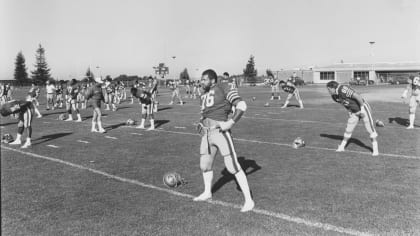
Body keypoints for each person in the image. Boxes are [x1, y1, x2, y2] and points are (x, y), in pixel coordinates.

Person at [193, 69, 254, 213]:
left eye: (204, 79)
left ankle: (249, 200)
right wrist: (201, 123)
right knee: (204, 165)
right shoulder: (204, 93)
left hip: (220, 132)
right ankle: (207, 192)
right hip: (207, 134)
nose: (202, 82)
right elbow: (206, 113)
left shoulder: (223, 87)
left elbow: (242, 106)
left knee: (232, 166)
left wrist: (230, 122)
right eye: (201, 79)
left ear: (213, 80)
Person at [326, 81, 379, 156]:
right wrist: (349, 111)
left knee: (369, 128)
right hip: (354, 111)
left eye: (329, 89)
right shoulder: (334, 96)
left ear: (333, 87)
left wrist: (362, 109)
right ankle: (342, 147)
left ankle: (375, 149)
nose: (328, 91)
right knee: (349, 128)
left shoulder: (343, 89)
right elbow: (344, 103)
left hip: (363, 107)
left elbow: (357, 96)